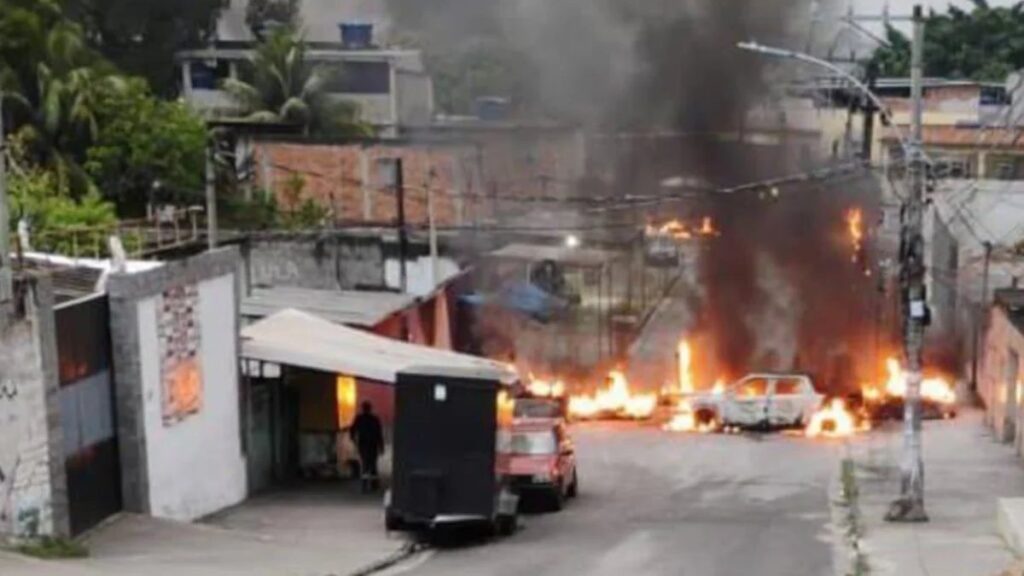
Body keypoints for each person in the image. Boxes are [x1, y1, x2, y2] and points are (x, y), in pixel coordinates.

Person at [349, 401, 384, 492]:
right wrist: (381, 446)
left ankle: (365, 486)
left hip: (363, 444)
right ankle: (374, 485)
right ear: (370, 408)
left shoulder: (359, 418)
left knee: (365, 464)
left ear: (363, 408)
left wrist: (353, 439)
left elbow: (352, 429)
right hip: (373, 444)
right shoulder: (375, 419)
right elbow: (379, 434)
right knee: (373, 464)